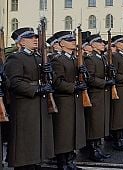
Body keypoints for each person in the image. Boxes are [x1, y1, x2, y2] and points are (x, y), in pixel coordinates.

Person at [4, 27, 55, 169]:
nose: (35, 39)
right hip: (25, 105)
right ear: (20, 42)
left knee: (36, 139)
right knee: (24, 141)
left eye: (36, 37)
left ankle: (35, 162)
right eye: (30, 37)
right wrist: (36, 89)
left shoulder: (38, 57)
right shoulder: (16, 58)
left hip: (38, 103)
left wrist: (50, 73)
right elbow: (14, 82)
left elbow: (49, 80)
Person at [50, 31, 87, 169]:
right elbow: (57, 82)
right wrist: (75, 87)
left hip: (74, 99)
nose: (73, 41)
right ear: (61, 44)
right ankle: (63, 162)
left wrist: (84, 74)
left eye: (73, 39)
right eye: (69, 40)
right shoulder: (58, 60)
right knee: (64, 132)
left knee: (73, 131)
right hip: (64, 100)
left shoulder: (74, 59)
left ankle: (71, 160)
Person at [83, 34, 113, 162]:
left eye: (103, 42)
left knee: (100, 123)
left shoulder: (103, 58)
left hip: (103, 94)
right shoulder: (90, 59)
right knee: (94, 124)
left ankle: (98, 148)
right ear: (93, 45)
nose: (103, 44)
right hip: (95, 94)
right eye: (100, 42)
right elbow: (90, 78)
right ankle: (92, 150)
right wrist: (104, 83)